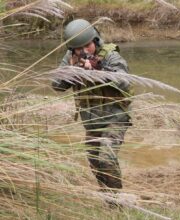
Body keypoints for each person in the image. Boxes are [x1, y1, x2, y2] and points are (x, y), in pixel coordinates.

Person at [52, 19, 131, 192]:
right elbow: (56, 86)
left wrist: (98, 70)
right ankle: (107, 195)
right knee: (95, 162)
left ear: (94, 40)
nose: (83, 51)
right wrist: (72, 71)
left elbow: (125, 81)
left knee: (106, 158)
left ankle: (115, 200)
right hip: (91, 121)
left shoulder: (111, 55)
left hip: (115, 117)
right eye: (78, 49)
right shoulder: (71, 58)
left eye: (87, 46)